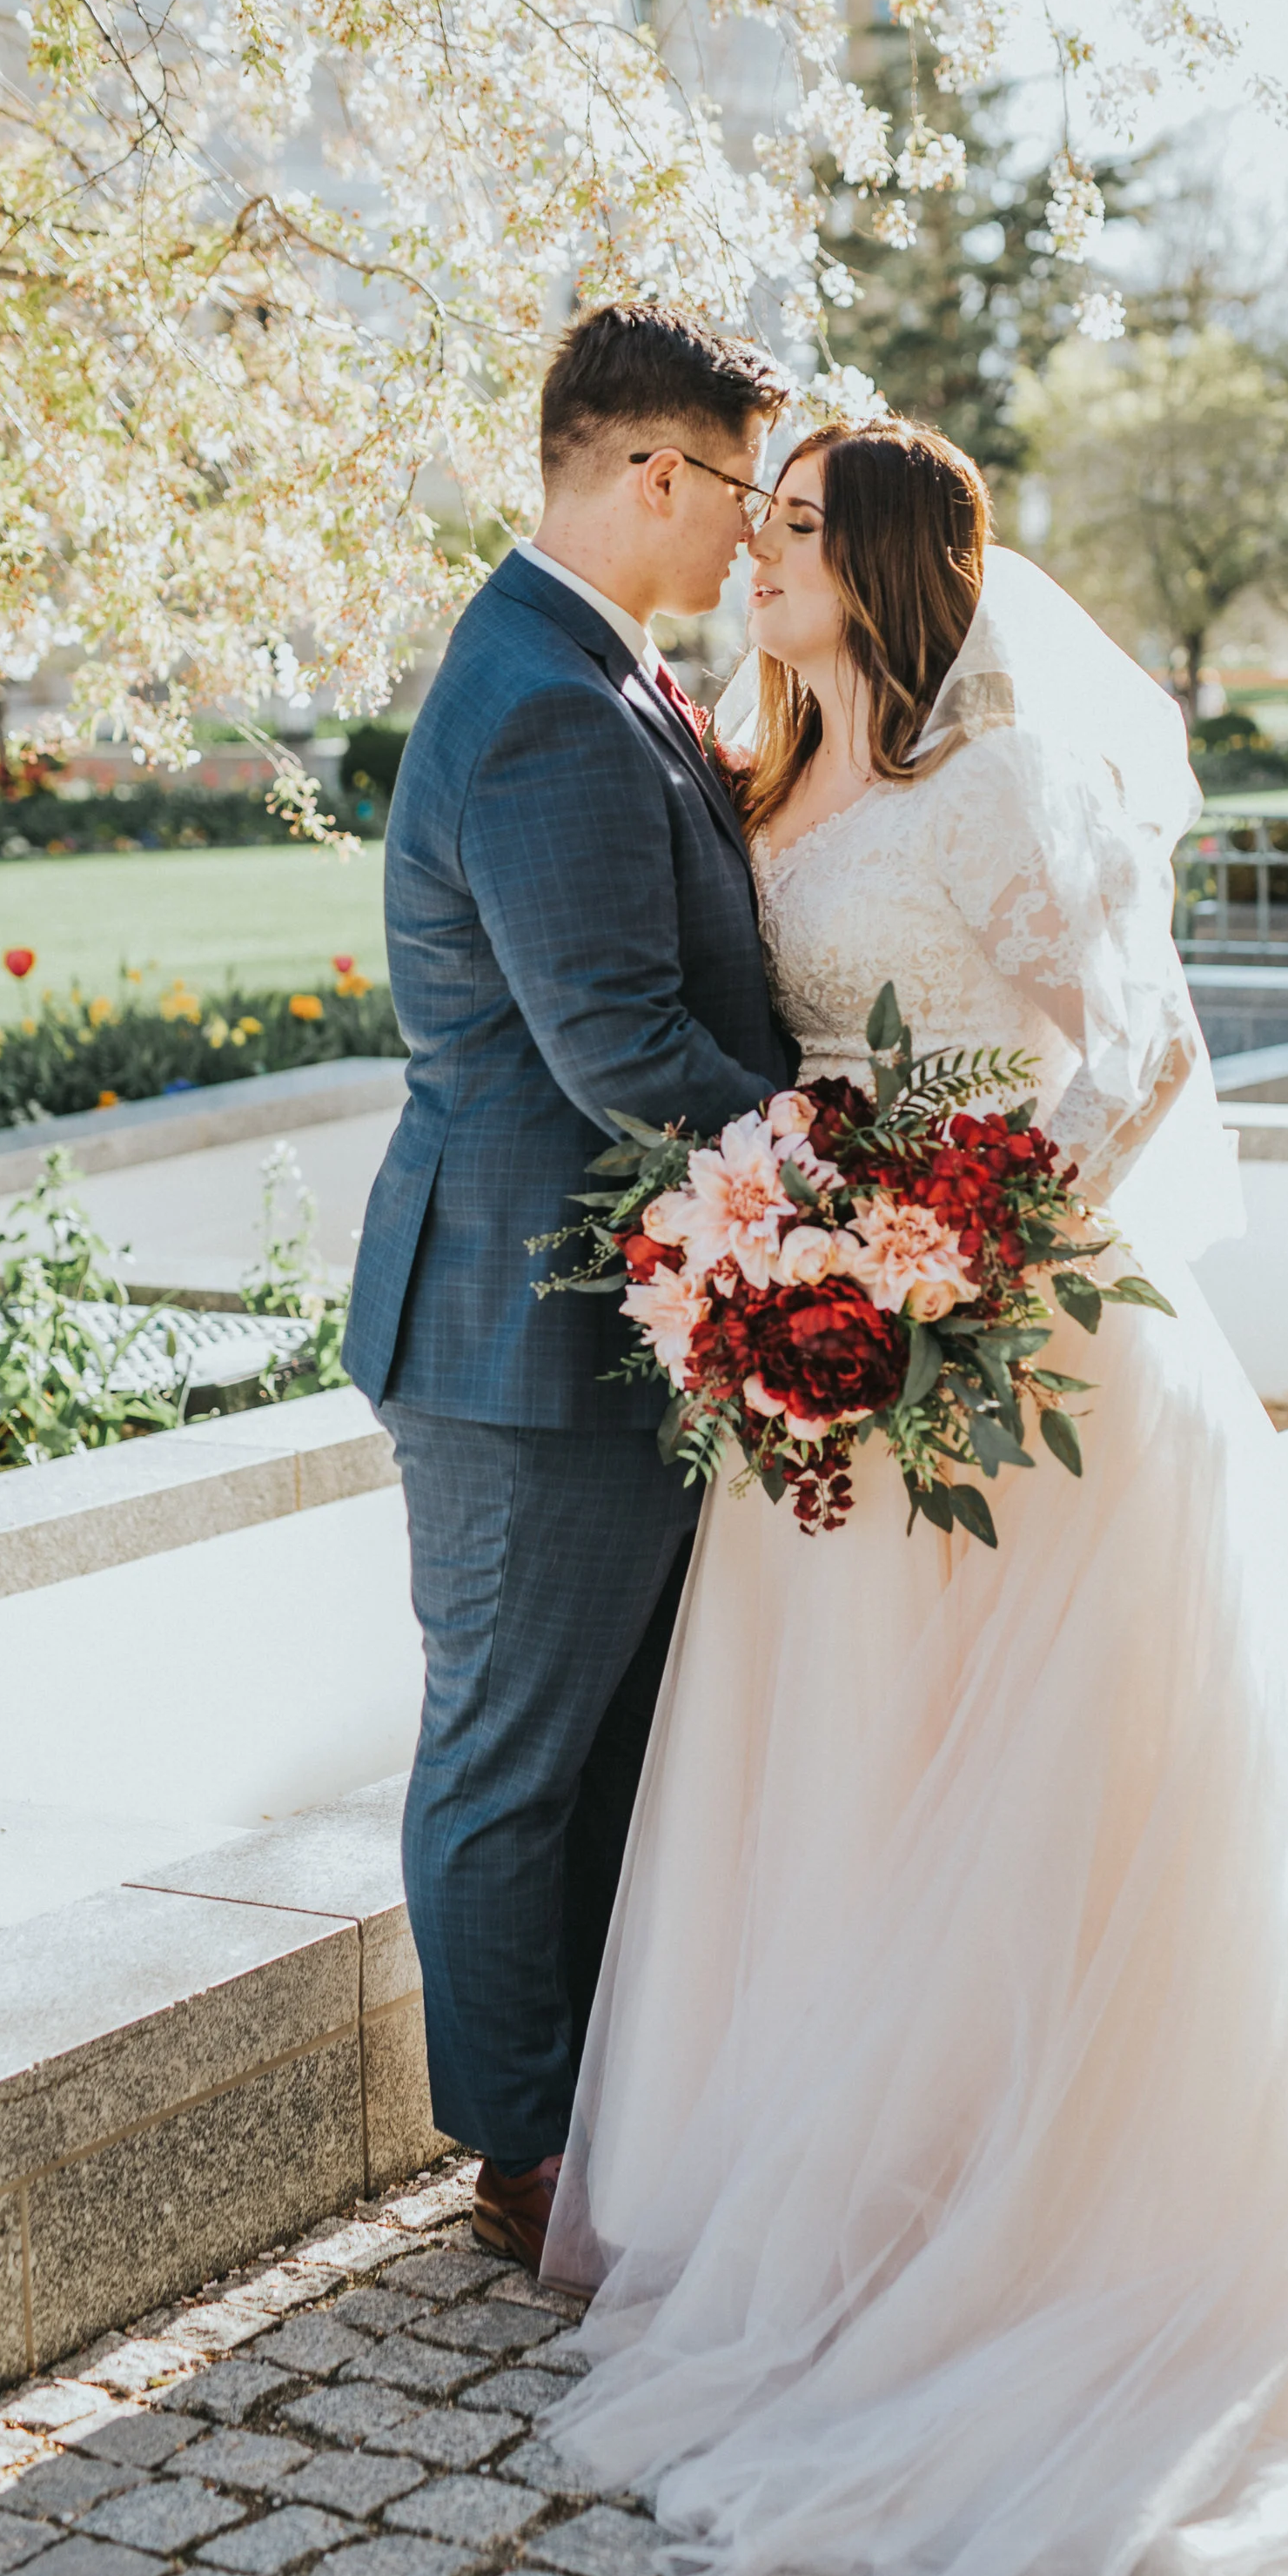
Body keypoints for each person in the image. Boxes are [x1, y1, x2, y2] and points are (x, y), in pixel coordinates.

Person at [541, 419, 1288, 2576]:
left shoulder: (1003, 788)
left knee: (1056, 1795)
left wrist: (954, 1254)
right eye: (752, 526)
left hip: (1024, 1358)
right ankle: (868, 2186)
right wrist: (799, 1247)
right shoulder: (764, 781)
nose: (752, 562)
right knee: (868, 1791)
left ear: (880, 567)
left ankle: (1073, 2209)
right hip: (836, 1366)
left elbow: (1136, 1058)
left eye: (790, 531)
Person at [345, 304, 794, 2278]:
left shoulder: (595, 669)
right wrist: (845, 1164)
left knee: (598, 1745)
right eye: (737, 500)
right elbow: (617, 1042)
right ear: (650, 473)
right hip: (521, 1323)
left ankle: (592, 2124)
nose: (746, 547)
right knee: (513, 1756)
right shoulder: (541, 694)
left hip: (598, 1309)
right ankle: (521, 2159)